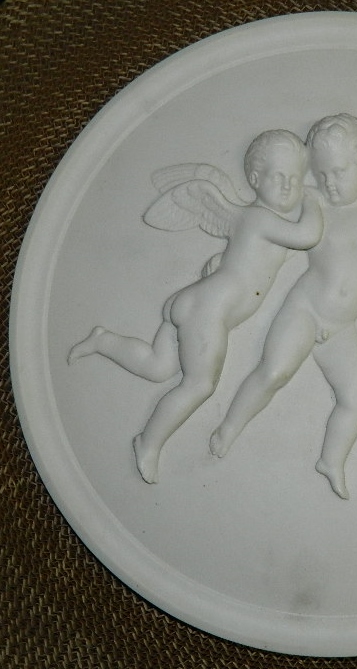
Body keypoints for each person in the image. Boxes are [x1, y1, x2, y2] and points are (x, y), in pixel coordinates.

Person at [68, 129, 323, 484]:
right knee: (200, 385)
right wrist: (312, 200)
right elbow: (308, 235)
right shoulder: (259, 218)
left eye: (295, 178)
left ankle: (104, 341)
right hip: (208, 311)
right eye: (278, 176)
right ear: (254, 180)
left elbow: (262, 256)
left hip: (195, 302)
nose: (288, 185)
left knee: (158, 366)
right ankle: (148, 442)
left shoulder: (255, 224)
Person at [210, 113, 357, 500]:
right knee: (275, 372)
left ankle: (331, 460)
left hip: (341, 327)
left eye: (339, 172)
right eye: (321, 174)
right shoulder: (314, 204)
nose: (329, 182)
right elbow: (270, 239)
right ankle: (229, 427)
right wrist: (226, 262)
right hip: (306, 309)